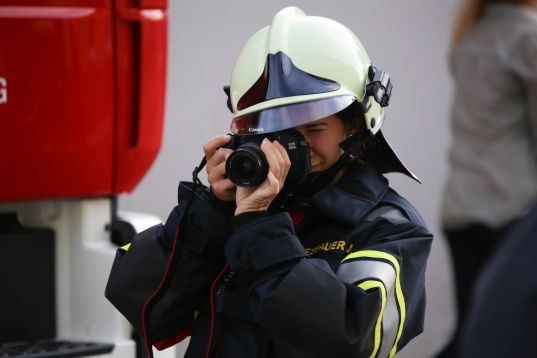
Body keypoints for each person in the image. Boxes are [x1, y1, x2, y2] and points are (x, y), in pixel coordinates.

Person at [106, 7, 432, 358]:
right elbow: (147, 312)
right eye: (281, 130)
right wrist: (211, 214)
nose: (297, 145)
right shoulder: (237, 206)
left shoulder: (392, 229)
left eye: (314, 128)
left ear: (354, 126)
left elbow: (353, 341)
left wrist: (261, 231)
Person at [437, 0, 537, 356]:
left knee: (473, 331)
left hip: (461, 209)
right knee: (509, 337)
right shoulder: (527, 37)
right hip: (512, 213)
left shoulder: (471, 35)